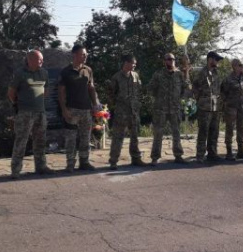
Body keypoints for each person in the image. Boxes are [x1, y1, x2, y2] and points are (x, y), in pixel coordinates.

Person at [8, 49, 53, 179]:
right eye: (39, 59)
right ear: (30, 60)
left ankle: (41, 167)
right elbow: (11, 93)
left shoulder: (44, 73)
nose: (42, 62)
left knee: (40, 141)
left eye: (42, 60)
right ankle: (15, 170)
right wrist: (18, 105)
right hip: (25, 113)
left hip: (40, 112)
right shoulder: (20, 73)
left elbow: (46, 91)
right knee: (21, 141)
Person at [58, 44, 100, 172]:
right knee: (71, 138)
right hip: (72, 110)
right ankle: (70, 164)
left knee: (85, 138)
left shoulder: (88, 70)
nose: (85, 56)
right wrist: (64, 110)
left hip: (86, 110)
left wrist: (95, 104)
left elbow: (91, 88)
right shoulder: (65, 72)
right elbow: (61, 93)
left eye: (86, 54)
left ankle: (84, 162)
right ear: (74, 55)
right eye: (83, 54)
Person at [148, 53, 191, 166]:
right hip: (160, 109)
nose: (171, 61)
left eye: (172, 59)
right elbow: (151, 88)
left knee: (176, 133)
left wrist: (186, 73)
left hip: (175, 108)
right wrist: (159, 98)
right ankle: (155, 157)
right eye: (168, 59)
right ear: (164, 61)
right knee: (158, 134)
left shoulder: (179, 74)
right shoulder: (158, 74)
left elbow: (186, 88)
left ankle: (178, 156)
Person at [108, 54, 148, 169]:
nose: (134, 65)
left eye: (135, 63)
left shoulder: (135, 75)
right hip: (121, 112)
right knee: (118, 137)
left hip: (134, 111)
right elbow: (111, 95)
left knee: (135, 136)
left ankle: (136, 158)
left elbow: (139, 91)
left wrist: (137, 104)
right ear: (126, 63)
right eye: (133, 63)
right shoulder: (116, 77)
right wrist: (115, 108)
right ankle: (113, 161)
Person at [192, 51, 224, 162]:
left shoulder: (216, 73)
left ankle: (212, 153)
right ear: (210, 59)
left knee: (214, 132)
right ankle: (200, 155)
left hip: (215, 107)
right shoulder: (202, 73)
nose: (217, 62)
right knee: (203, 132)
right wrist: (199, 99)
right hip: (204, 108)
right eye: (216, 59)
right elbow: (194, 86)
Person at [220, 58, 243, 160]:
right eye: (240, 65)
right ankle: (229, 152)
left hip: (241, 107)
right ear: (234, 66)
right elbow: (222, 93)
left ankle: (240, 151)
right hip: (231, 108)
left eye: (242, 65)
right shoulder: (228, 79)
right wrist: (227, 103)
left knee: (241, 128)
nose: (242, 67)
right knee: (230, 129)